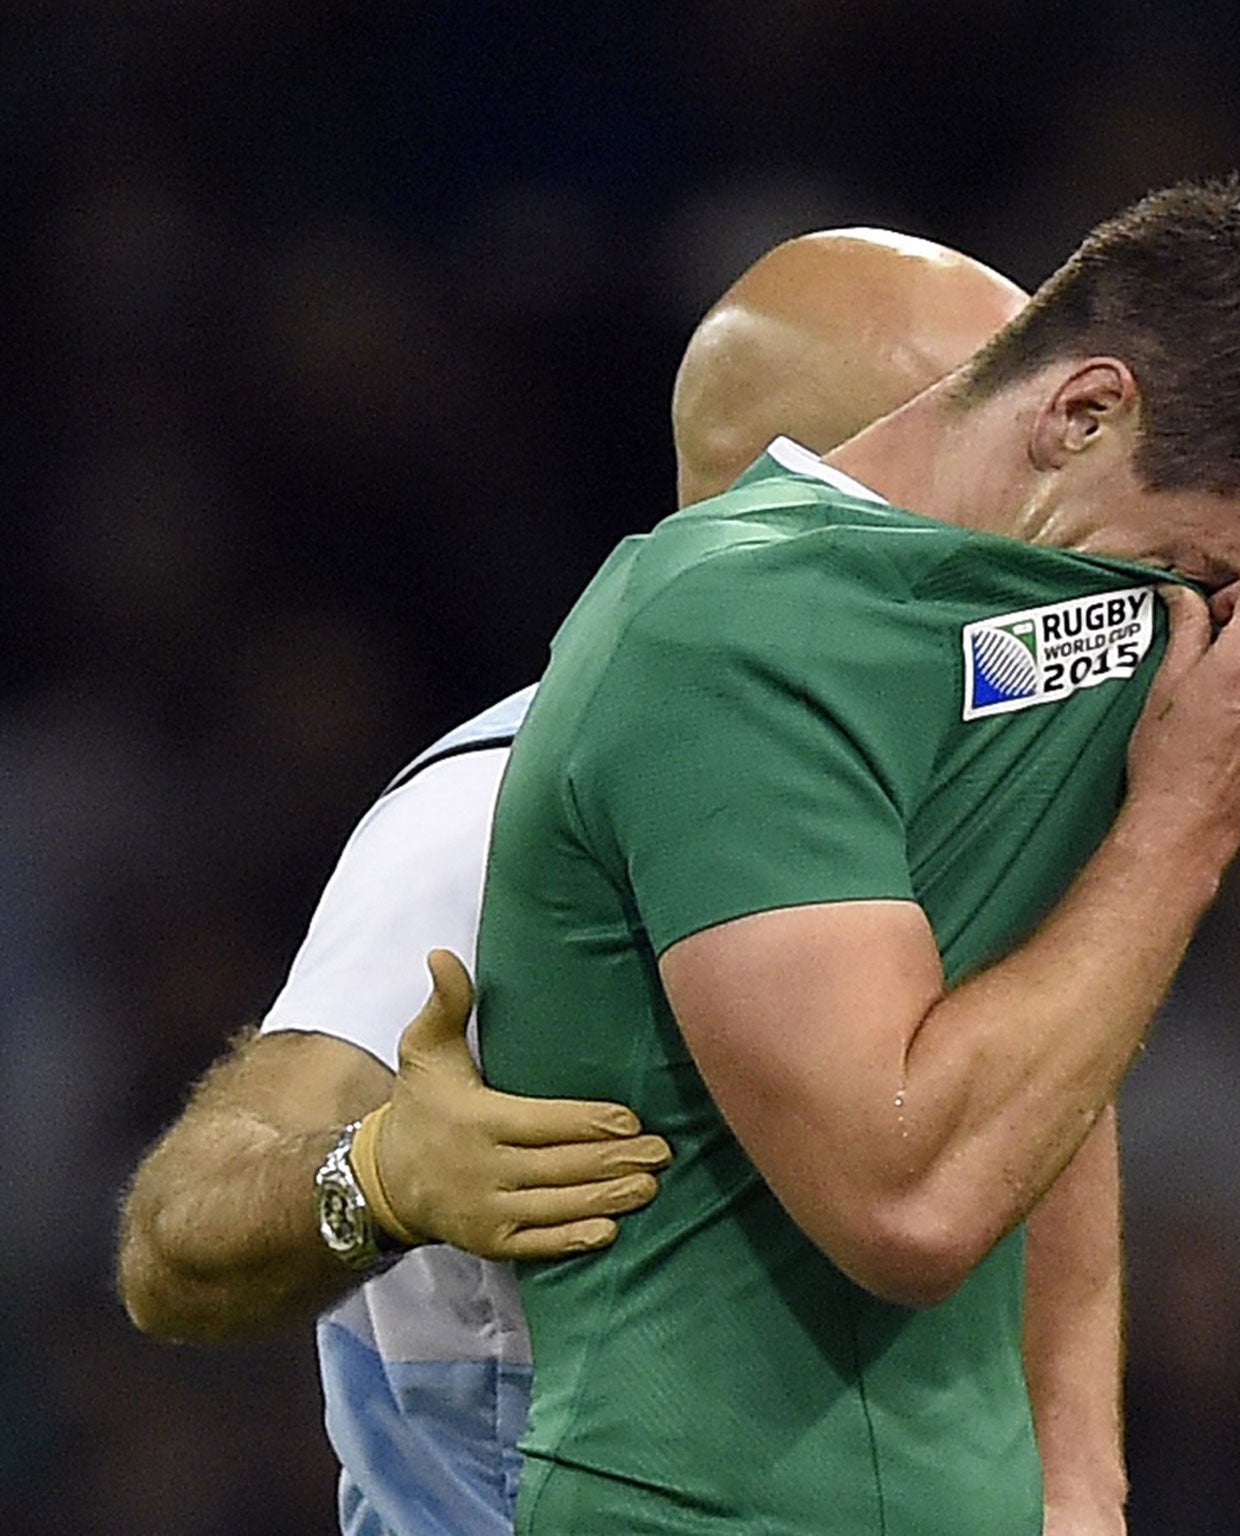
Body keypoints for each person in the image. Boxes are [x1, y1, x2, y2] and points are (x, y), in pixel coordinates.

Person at [476, 177, 1240, 1534]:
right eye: (1197, 576)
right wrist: (1181, 829)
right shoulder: (726, 634)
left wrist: (1082, 1484)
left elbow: (1048, 1054)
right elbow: (907, 1193)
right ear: (1081, 413)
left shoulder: (1040, 634)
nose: (1198, 641)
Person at [115, 227, 1033, 1535]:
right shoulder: (490, 815)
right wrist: (373, 1179)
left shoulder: (969, 785)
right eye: (1001, 468)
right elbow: (175, 1241)